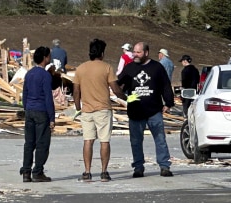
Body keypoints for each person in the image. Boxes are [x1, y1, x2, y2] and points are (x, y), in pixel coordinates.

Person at [118, 42, 175, 178]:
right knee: (136, 141)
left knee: (160, 139)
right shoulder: (129, 68)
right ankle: (138, 167)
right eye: (134, 52)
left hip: (154, 110)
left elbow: (166, 86)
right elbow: (118, 84)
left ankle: (164, 166)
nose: (135, 55)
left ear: (146, 53)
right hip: (136, 111)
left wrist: (168, 102)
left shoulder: (157, 67)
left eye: (138, 52)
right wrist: (124, 97)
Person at [73, 38, 125, 182]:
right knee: (104, 141)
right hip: (103, 109)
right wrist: (127, 98)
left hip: (87, 109)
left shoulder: (80, 68)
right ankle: (104, 172)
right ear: (102, 53)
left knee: (88, 140)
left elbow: (76, 91)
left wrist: (78, 107)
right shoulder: (107, 67)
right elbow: (115, 89)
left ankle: (87, 172)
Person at [20, 46, 55, 183]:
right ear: (45, 58)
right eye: (49, 56)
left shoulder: (29, 74)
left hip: (30, 110)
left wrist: (26, 108)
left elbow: (25, 93)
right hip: (41, 111)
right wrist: (52, 118)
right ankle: (38, 171)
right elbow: (48, 98)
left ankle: (26, 171)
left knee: (29, 142)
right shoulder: (45, 75)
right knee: (42, 143)